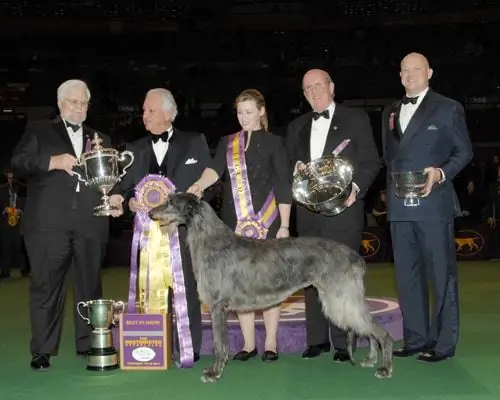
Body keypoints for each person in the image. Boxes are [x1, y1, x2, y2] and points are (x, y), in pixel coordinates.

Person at [10, 79, 124, 371]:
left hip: (90, 223)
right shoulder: (38, 130)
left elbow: (109, 181)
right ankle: (43, 350)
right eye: (74, 102)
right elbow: (19, 163)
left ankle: (90, 343)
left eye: (84, 103)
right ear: (61, 104)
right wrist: (51, 161)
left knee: (90, 286)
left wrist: (114, 198)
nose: (79, 108)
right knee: (46, 288)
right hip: (48, 224)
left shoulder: (102, 139)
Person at [187, 89, 292, 362]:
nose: (244, 117)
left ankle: (270, 343)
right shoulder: (227, 142)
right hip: (233, 223)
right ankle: (248, 344)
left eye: (249, 112)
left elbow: (283, 185)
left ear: (261, 111)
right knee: (239, 284)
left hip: (268, 222)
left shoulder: (275, 143)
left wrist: (285, 225)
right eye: (239, 112)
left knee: (269, 283)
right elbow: (214, 170)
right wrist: (199, 185)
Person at [382, 52, 473, 362]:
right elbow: (389, 158)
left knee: (441, 274)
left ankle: (444, 343)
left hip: (433, 205)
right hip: (399, 206)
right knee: (407, 275)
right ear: (399, 75)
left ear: (429, 72)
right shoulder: (390, 111)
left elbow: (464, 152)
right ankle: (416, 338)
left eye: (416, 69)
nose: (410, 75)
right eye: (404, 70)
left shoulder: (448, 108)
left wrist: (442, 172)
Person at [286, 69, 381, 361]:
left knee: (341, 276)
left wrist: (356, 188)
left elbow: (371, 161)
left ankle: (343, 342)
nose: (314, 92)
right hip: (308, 214)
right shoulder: (296, 126)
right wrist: (295, 170)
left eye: (319, 85)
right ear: (303, 95)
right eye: (307, 88)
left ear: (332, 87)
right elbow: (289, 165)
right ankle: (317, 340)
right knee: (311, 276)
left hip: (344, 211)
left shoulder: (356, 119)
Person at [117, 88, 213, 362]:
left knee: (188, 290)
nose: (144, 116)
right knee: (150, 290)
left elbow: (209, 177)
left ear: (169, 114)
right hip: (147, 234)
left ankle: (189, 346)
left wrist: (200, 189)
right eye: (144, 110)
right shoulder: (134, 148)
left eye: (151, 110)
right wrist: (129, 203)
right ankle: (152, 348)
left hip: (185, 231)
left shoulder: (195, 141)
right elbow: (124, 189)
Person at [0, 170, 28, 278]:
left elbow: (29, 203)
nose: (10, 180)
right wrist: (4, 210)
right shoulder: (1, 190)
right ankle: (5, 271)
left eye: (12, 177)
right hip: (6, 222)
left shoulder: (23, 189)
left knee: (20, 246)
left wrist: (20, 210)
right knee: (5, 246)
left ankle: (24, 269)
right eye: (9, 177)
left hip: (20, 222)